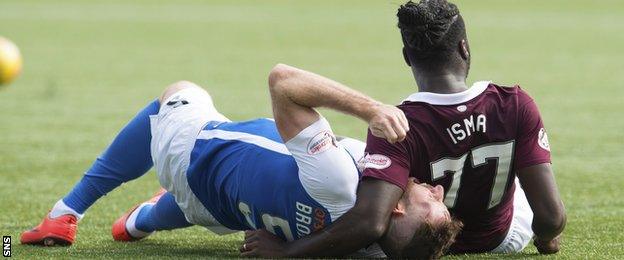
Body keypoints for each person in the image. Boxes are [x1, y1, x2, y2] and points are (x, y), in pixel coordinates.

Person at [20, 66, 457, 257]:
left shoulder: (341, 182)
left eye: (431, 201)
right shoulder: (368, 247)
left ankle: (64, 215)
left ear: (395, 208)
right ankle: (142, 221)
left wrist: (372, 109)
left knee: (178, 93)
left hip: (194, 153)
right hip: (223, 212)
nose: (437, 189)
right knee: (195, 204)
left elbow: (284, 80)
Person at [243, 0, 566, 258]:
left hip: (414, 244)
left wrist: (288, 252)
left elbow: (370, 221)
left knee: (362, 164)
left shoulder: (397, 123)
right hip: (502, 238)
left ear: (407, 58)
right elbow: (552, 219)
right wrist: (546, 241)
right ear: (464, 48)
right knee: (513, 157)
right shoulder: (515, 103)